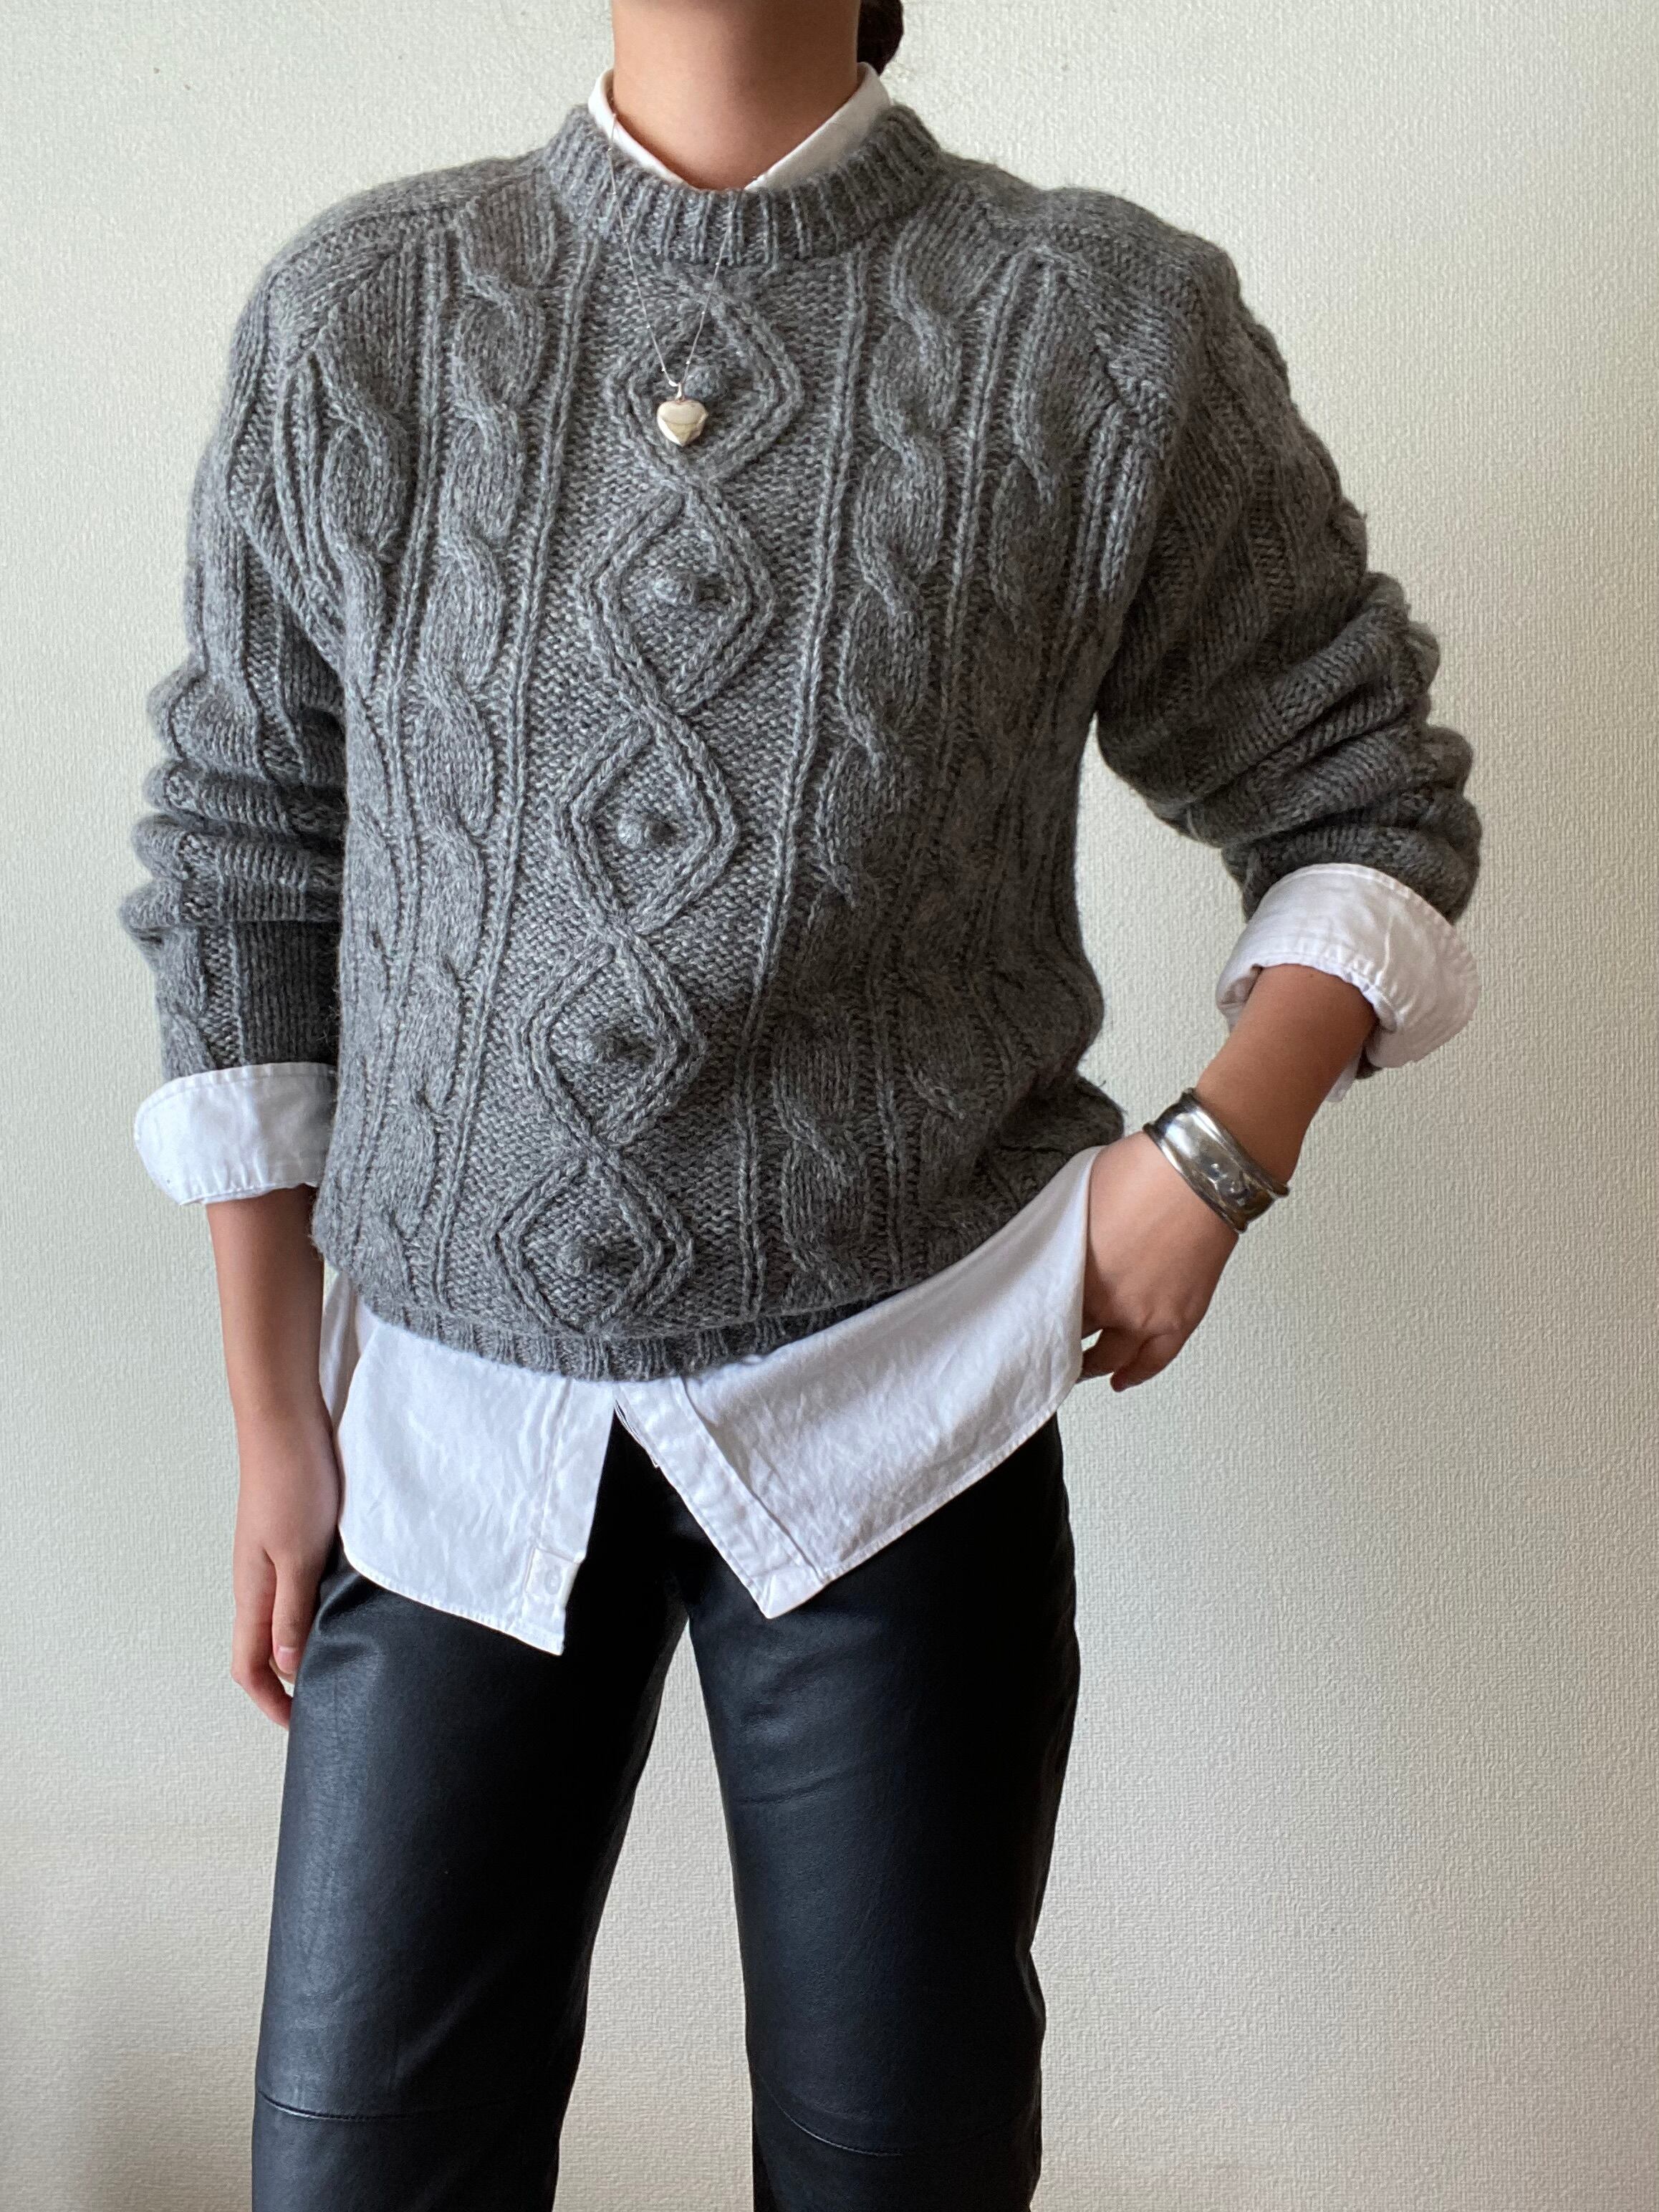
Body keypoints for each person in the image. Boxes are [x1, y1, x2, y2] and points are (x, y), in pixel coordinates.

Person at [117, 3, 1482, 2206]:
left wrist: (1213, 1162)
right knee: (361, 2158)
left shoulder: (1094, 327)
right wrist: (275, 1414)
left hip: (905, 1402)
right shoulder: (365, 314)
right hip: (442, 1432)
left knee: (894, 2161)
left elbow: (1357, 787)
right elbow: (247, 852)